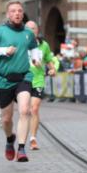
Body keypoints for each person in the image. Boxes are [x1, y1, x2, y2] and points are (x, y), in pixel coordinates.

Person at [0, 0, 39, 162]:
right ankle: (9, 140)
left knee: (25, 111)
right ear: (8, 14)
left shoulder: (28, 32)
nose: (17, 14)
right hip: (4, 80)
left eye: (19, 11)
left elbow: (34, 46)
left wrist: (36, 59)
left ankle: (21, 149)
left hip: (23, 77)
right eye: (13, 11)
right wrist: (4, 51)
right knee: (6, 119)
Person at [24, 20, 59, 150]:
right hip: (22, 80)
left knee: (34, 109)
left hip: (37, 80)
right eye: (28, 28)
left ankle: (33, 138)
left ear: (37, 31)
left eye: (33, 28)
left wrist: (53, 70)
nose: (31, 31)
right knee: (25, 110)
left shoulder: (44, 45)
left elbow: (49, 61)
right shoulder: (20, 44)